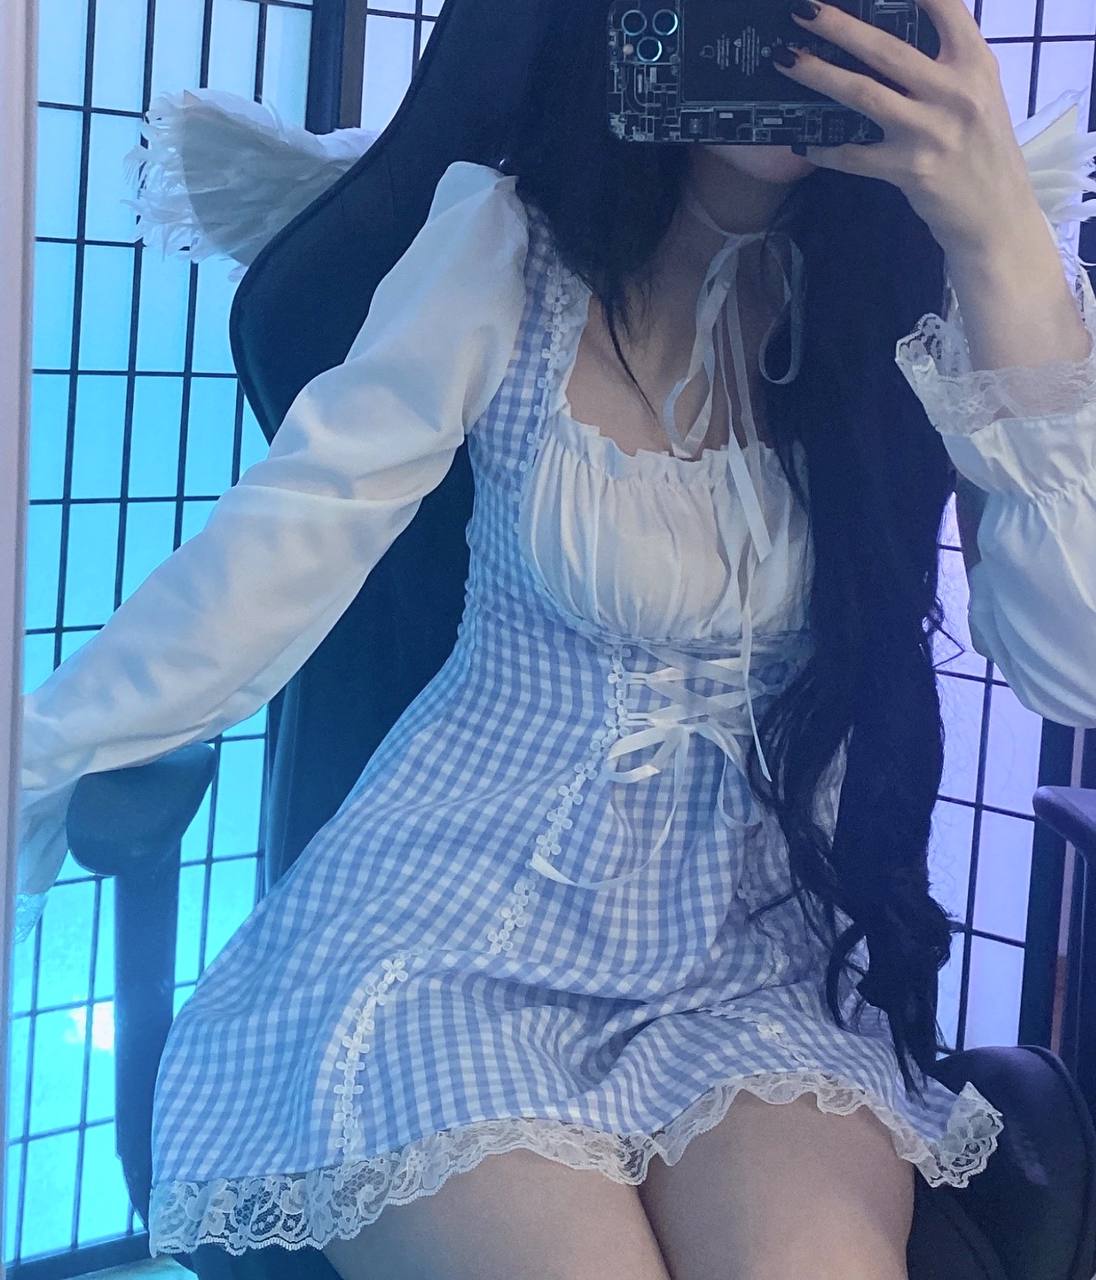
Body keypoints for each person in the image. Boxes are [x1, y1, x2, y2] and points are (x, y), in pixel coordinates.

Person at [15, 2, 1096, 1275]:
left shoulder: (943, 288)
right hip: (456, 932)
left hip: (756, 952)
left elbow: (1070, 663)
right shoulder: (503, 245)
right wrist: (46, 743)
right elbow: (289, 538)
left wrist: (993, 236)